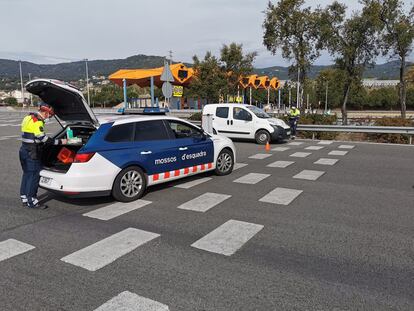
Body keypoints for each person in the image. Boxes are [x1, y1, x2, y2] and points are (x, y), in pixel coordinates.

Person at [19, 103, 67, 209]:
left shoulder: (28, 117)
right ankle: (32, 201)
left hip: (23, 150)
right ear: (45, 112)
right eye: (49, 115)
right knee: (34, 176)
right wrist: (61, 142)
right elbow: (43, 138)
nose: (49, 117)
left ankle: (24, 198)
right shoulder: (38, 122)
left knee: (27, 174)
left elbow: (27, 133)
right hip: (33, 153)